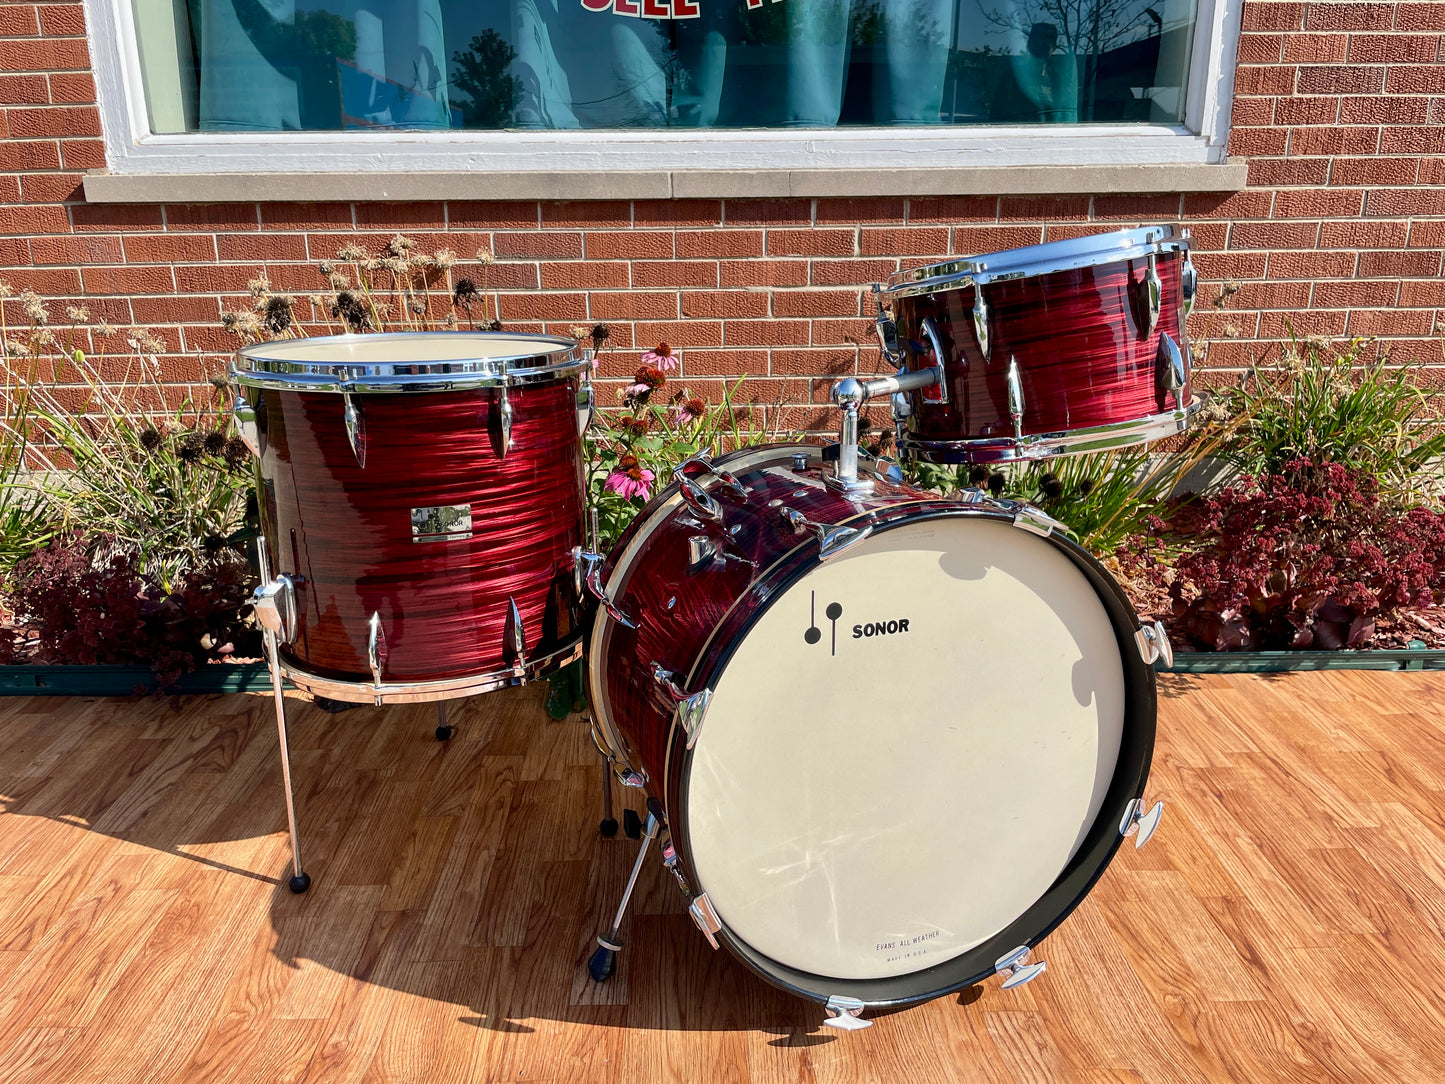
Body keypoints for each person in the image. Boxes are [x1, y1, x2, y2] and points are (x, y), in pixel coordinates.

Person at [988, 21, 1078, 124]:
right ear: (1030, 44)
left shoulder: (1057, 79)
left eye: (1050, 40)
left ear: (1054, 47)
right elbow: (996, 118)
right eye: (1041, 39)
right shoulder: (1012, 78)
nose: (1046, 45)